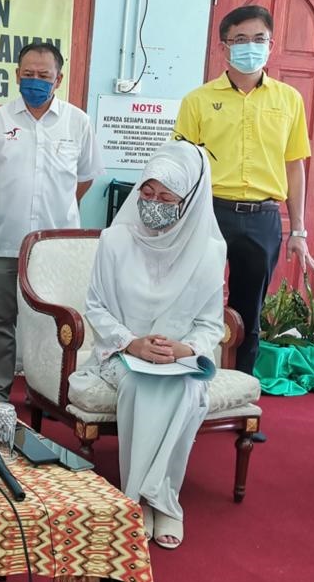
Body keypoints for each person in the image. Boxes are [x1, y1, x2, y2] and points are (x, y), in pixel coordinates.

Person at [72, 139, 226, 551]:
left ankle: (159, 497)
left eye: (166, 196)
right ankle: (140, 497)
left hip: (179, 358)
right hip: (122, 354)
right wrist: (131, 344)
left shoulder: (210, 251)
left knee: (189, 387)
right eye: (147, 192)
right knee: (141, 384)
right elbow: (97, 307)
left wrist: (186, 349)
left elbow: (212, 324)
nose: (153, 202)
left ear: (189, 200)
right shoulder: (115, 241)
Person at [175, 5, 314, 392]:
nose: (249, 47)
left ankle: (240, 392)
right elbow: (181, 163)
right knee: (192, 302)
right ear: (224, 47)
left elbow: (294, 166)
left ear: (270, 45)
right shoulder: (198, 101)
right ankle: (187, 387)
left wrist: (299, 230)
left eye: (259, 39)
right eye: (240, 40)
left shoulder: (289, 100)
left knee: (247, 312)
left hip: (262, 218)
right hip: (207, 212)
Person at [0, 41, 104, 412]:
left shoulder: (78, 122)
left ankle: (46, 390)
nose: (36, 81)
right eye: (28, 74)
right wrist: (5, 204)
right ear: (16, 75)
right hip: (3, 242)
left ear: (58, 80)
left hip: (56, 249)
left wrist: (57, 209)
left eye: (44, 75)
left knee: (53, 324)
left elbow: (86, 178)